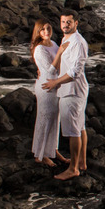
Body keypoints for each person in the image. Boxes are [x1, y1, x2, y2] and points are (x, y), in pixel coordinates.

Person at [44, 11, 88, 180]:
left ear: (76, 23)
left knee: (73, 131)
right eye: (63, 22)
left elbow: (75, 71)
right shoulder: (65, 39)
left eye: (69, 22)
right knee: (80, 127)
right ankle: (82, 163)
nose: (65, 25)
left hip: (72, 91)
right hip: (72, 90)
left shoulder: (78, 42)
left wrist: (56, 83)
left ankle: (73, 168)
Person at [29, 18, 68, 168]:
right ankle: (41, 155)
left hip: (56, 85)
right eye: (43, 29)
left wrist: (59, 54)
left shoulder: (53, 44)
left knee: (54, 119)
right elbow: (50, 70)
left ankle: (53, 150)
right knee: (44, 119)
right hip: (46, 87)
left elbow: (59, 65)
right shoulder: (39, 49)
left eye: (48, 28)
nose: (46, 32)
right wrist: (60, 53)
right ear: (38, 32)